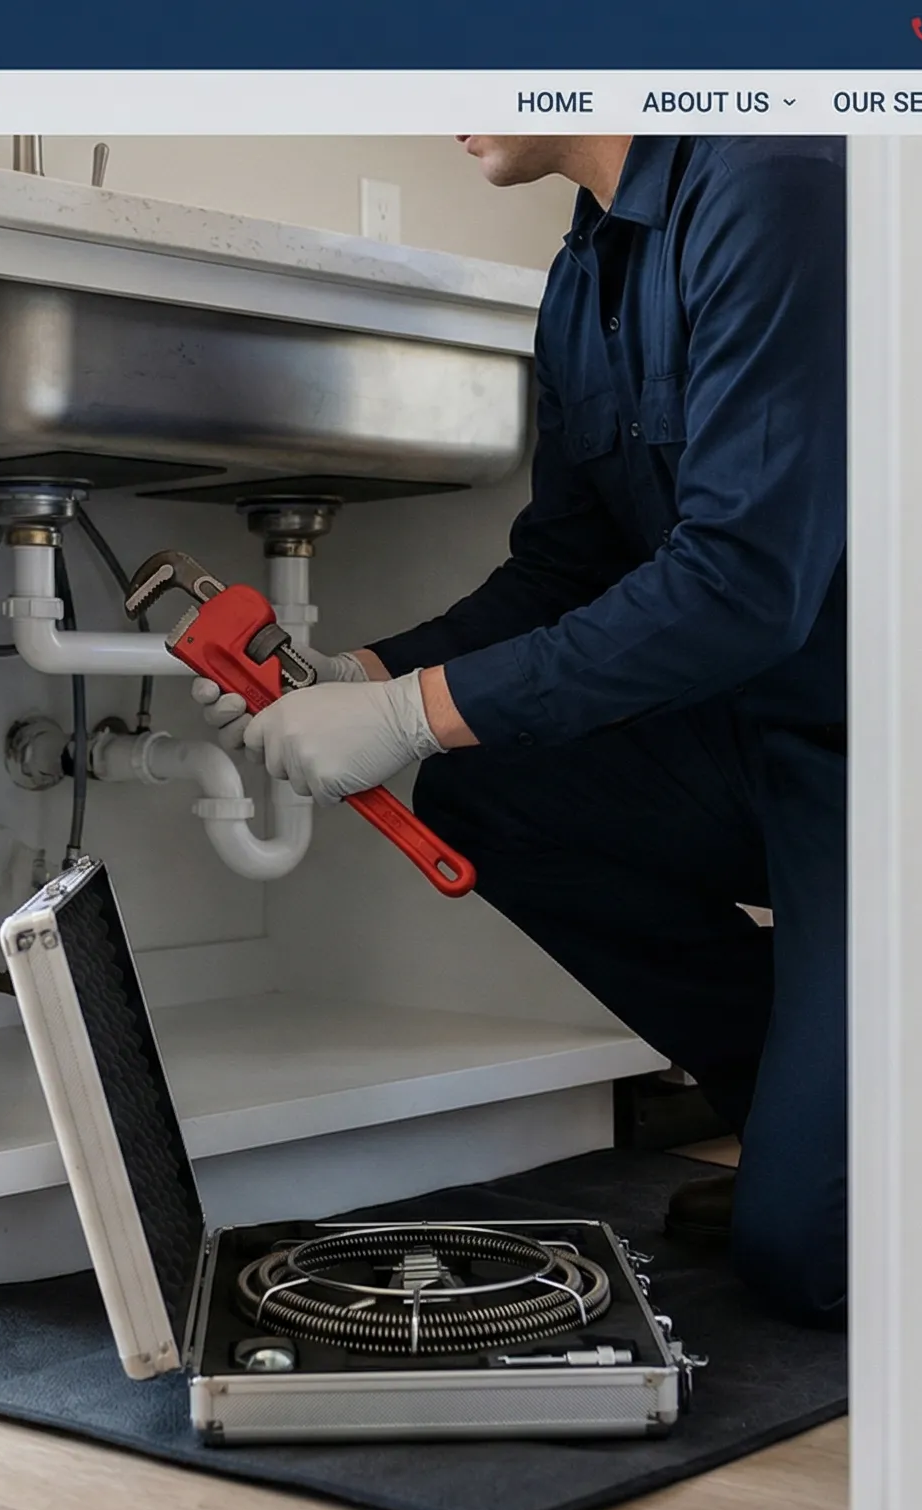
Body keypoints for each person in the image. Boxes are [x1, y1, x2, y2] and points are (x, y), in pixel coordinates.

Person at [195, 135, 846, 1327]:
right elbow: (563, 568)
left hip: (900, 773)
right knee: (488, 782)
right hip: (755, 749)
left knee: (823, 1263)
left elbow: (743, 584)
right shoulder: (586, 268)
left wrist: (405, 716)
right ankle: (814, 1119)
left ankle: (860, 1155)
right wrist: (365, 671)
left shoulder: (776, 180)